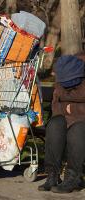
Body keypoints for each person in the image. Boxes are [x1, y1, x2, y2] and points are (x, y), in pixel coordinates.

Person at [38, 53, 85, 193]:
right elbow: (56, 103)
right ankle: (52, 175)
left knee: (77, 131)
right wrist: (66, 109)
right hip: (66, 116)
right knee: (54, 125)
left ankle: (73, 178)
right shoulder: (64, 70)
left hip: (82, 120)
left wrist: (74, 107)